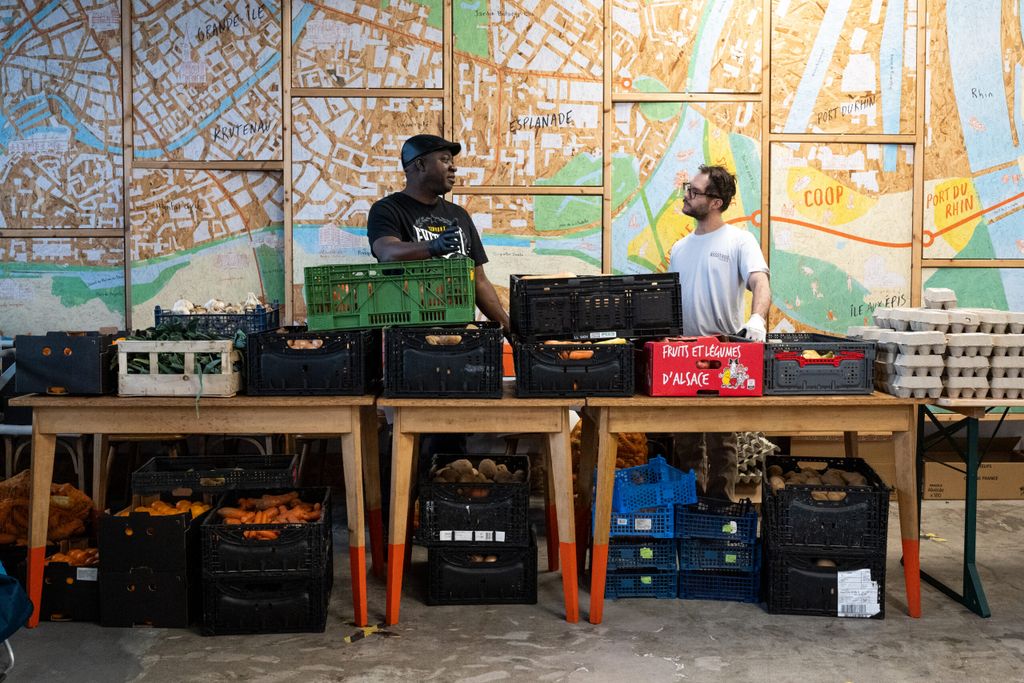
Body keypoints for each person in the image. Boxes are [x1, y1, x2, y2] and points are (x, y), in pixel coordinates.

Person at [667, 164, 771, 501]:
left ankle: (721, 511)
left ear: (716, 203)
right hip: (684, 355)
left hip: (722, 355)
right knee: (685, 441)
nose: (687, 195)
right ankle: (690, 508)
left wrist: (757, 319)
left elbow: (760, 282)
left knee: (721, 441)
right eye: (688, 188)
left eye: (694, 191)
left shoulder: (740, 241)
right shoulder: (680, 249)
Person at [366, 134, 510, 333]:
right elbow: (387, 252)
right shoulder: (388, 209)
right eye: (445, 160)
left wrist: (510, 331)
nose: (453, 167)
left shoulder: (458, 214)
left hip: (459, 332)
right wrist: (433, 246)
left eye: (452, 161)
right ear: (420, 165)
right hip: (409, 335)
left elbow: (479, 281)